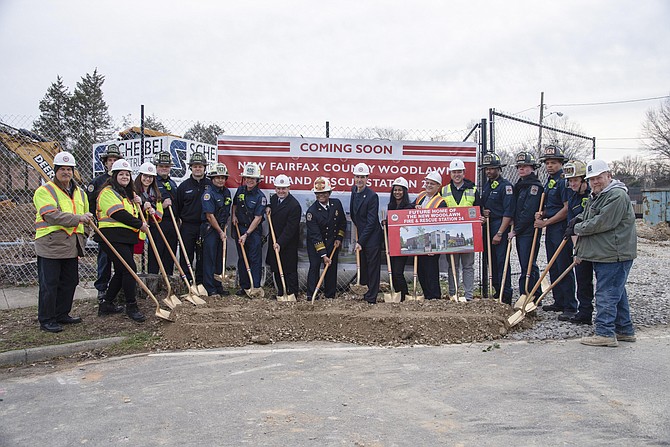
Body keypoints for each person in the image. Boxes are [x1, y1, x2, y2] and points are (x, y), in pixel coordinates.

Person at [571, 160, 637, 347]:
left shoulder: (616, 195)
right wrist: (577, 220)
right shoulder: (598, 195)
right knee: (617, 291)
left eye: (598, 178)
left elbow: (602, 222)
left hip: (614, 253)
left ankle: (605, 333)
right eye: (591, 179)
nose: (595, 182)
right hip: (606, 253)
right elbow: (588, 215)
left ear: (609, 175)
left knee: (606, 292)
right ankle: (624, 330)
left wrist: (577, 228)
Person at [33, 151, 92, 333]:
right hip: (51, 243)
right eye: (62, 169)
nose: (66, 172)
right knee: (49, 283)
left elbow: (87, 217)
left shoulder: (80, 193)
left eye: (69, 169)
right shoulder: (45, 191)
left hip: (72, 244)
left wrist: (84, 235)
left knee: (70, 281)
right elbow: (51, 215)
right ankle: (46, 319)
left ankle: (62, 314)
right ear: (55, 171)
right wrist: (78, 219)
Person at [95, 159, 149, 322]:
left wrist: (142, 205)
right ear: (114, 175)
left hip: (126, 238)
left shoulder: (127, 195)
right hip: (112, 237)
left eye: (127, 174)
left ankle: (106, 304)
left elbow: (134, 214)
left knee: (121, 271)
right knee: (130, 269)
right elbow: (118, 214)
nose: (125, 176)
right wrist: (140, 224)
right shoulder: (108, 192)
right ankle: (131, 305)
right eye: (121, 174)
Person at [535, 145, 577, 320]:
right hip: (551, 228)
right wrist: (542, 213)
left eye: (553, 162)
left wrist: (546, 222)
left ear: (561, 163)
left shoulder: (563, 181)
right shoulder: (549, 181)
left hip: (560, 228)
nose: (549, 166)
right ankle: (559, 300)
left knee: (563, 265)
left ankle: (570, 305)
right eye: (547, 163)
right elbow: (551, 206)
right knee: (553, 264)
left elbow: (566, 209)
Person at [441, 158, 481, 301]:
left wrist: (481, 218)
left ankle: (469, 296)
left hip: (468, 234)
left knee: (468, 266)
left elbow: (479, 210)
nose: (456, 174)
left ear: (463, 173)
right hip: (451, 234)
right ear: (450, 174)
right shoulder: (444, 191)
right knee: (452, 265)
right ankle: (454, 294)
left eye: (459, 172)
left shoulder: (472, 189)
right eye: (454, 172)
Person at [87, 143, 122, 304]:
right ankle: (102, 288)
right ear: (105, 162)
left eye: (115, 159)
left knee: (121, 261)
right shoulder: (98, 182)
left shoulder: (123, 182)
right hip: (103, 228)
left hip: (121, 228)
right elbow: (90, 204)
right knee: (104, 259)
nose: (112, 162)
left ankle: (117, 288)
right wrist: (94, 221)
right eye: (110, 160)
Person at [480, 153, 515, 304]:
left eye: (492, 168)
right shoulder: (487, 185)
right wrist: (483, 211)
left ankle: (505, 294)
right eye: (487, 169)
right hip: (488, 225)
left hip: (500, 225)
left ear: (499, 169)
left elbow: (508, 212)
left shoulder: (505, 186)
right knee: (491, 261)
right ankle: (496, 290)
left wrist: (500, 232)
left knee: (502, 261)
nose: (489, 171)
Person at [509, 151, 544, 303]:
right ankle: (535, 294)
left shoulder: (534, 187)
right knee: (527, 263)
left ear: (532, 168)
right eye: (519, 167)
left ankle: (528, 294)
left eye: (524, 166)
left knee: (528, 263)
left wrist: (516, 230)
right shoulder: (520, 186)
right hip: (522, 230)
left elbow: (528, 212)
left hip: (529, 231)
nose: (521, 169)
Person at [563, 160, 594, 325]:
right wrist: (577, 250)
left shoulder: (592, 195)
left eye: (575, 179)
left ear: (584, 179)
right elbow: (572, 226)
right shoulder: (572, 196)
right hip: (581, 244)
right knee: (582, 279)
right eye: (570, 180)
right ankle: (585, 312)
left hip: (596, 243)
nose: (572, 183)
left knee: (603, 281)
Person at [305, 177, 346, 299]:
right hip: (316, 244)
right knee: (315, 266)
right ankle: (311, 294)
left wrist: (339, 238)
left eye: (323, 193)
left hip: (332, 243)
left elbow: (342, 223)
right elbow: (315, 235)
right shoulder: (311, 212)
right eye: (318, 193)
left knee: (331, 268)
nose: (321, 196)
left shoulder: (336, 204)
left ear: (329, 193)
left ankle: (330, 295)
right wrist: (323, 255)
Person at [175, 152, 212, 284]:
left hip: (205, 225)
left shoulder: (210, 185)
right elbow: (177, 207)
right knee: (187, 254)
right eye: (195, 166)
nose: (198, 169)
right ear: (191, 167)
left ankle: (201, 281)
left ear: (204, 168)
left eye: (200, 166)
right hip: (188, 226)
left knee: (202, 255)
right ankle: (186, 281)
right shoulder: (183, 187)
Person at [231, 162, 267, 295]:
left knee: (254, 258)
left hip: (253, 232)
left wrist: (246, 234)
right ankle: (244, 287)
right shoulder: (240, 190)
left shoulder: (260, 197)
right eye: (247, 178)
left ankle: (255, 287)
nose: (249, 181)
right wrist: (234, 215)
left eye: (252, 178)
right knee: (242, 258)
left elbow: (258, 218)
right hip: (239, 228)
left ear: (257, 180)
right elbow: (234, 204)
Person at [350, 162, 382, 304]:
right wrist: (358, 233)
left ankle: (372, 296)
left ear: (367, 178)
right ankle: (365, 291)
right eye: (357, 177)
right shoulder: (354, 190)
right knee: (364, 265)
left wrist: (360, 241)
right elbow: (353, 213)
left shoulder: (372, 196)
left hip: (372, 236)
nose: (359, 180)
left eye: (362, 177)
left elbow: (371, 222)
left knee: (372, 266)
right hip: (362, 233)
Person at [412, 171, 447, 300]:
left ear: (438, 186)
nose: (428, 185)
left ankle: (435, 297)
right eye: (427, 182)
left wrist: (435, 246)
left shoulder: (441, 202)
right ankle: (427, 295)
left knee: (431, 270)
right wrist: (414, 208)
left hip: (432, 241)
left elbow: (440, 224)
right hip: (420, 240)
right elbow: (410, 209)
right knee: (421, 269)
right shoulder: (421, 196)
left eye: (432, 184)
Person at [265, 174, 301, 299]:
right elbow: (270, 205)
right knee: (276, 268)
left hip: (287, 243)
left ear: (288, 188)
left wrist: (280, 243)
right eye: (278, 188)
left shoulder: (294, 205)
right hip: (274, 241)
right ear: (275, 189)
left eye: (284, 188)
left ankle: (292, 293)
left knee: (289, 269)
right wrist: (268, 207)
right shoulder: (274, 199)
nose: (281, 191)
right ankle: (280, 292)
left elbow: (290, 229)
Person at [201, 163, 231, 296]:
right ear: (212, 178)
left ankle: (218, 285)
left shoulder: (227, 192)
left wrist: (224, 228)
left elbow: (226, 210)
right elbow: (209, 215)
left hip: (222, 228)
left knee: (220, 257)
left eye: (223, 178)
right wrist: (219, 231)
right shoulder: (208, 194)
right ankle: (209, 287)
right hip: (211, 230)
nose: (220, 180)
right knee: (210, 258)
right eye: (217, 177)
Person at [386, 177, 414, 300]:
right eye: (395, 190)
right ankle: (397, 295)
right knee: (392, 272)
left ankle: (404, 295)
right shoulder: (391, 206)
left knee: (397, 272)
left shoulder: (409, 207)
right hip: (392, 243)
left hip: (403, 246)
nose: (397, 192)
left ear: (405, 191)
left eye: (400, 190)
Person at [133, 162, 164, 267]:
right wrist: (142, 207)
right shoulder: (133, 191)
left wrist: (153, 212)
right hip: (136, 228)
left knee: (154, 254)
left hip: (152, 227)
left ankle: (152, 277)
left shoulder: (156, 193)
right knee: (135, 256)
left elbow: (160, 214)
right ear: (140, 176)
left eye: (150, 177)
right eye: (145, 176)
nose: (148, 179)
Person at [153, 151, 178, 275]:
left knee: (170, 253)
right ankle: (153, 282)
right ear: (156, 166)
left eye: (167, 166)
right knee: (156, 253)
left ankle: (168, 280)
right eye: (161, 166)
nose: (164, 168)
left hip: (172, 223)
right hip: (158, 222)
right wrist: (161, 207)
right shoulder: (152, 182)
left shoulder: (172, 183)